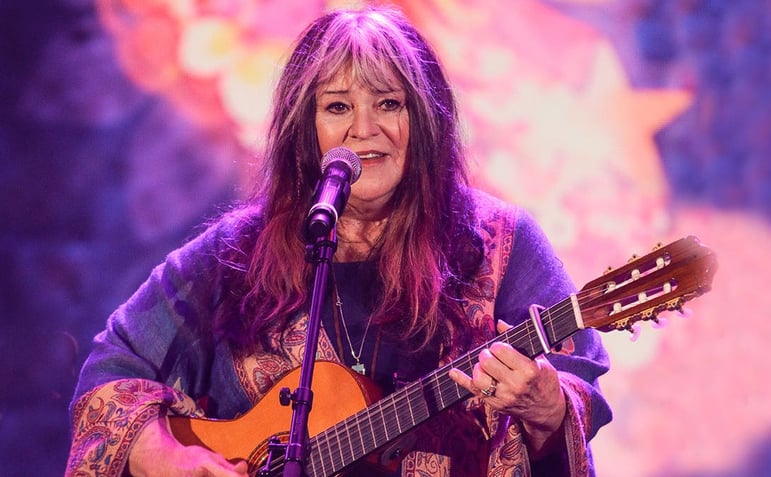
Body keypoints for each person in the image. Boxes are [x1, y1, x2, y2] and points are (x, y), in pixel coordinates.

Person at [65, 6, 612, 477]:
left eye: (389, 104)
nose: (364, 129)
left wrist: (547, 405)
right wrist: (165, 458)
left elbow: (576, 393)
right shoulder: (237, 253)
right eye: (337, 107)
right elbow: (113, 366)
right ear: (306, 131)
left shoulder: (502, 244)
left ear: (424, 122)